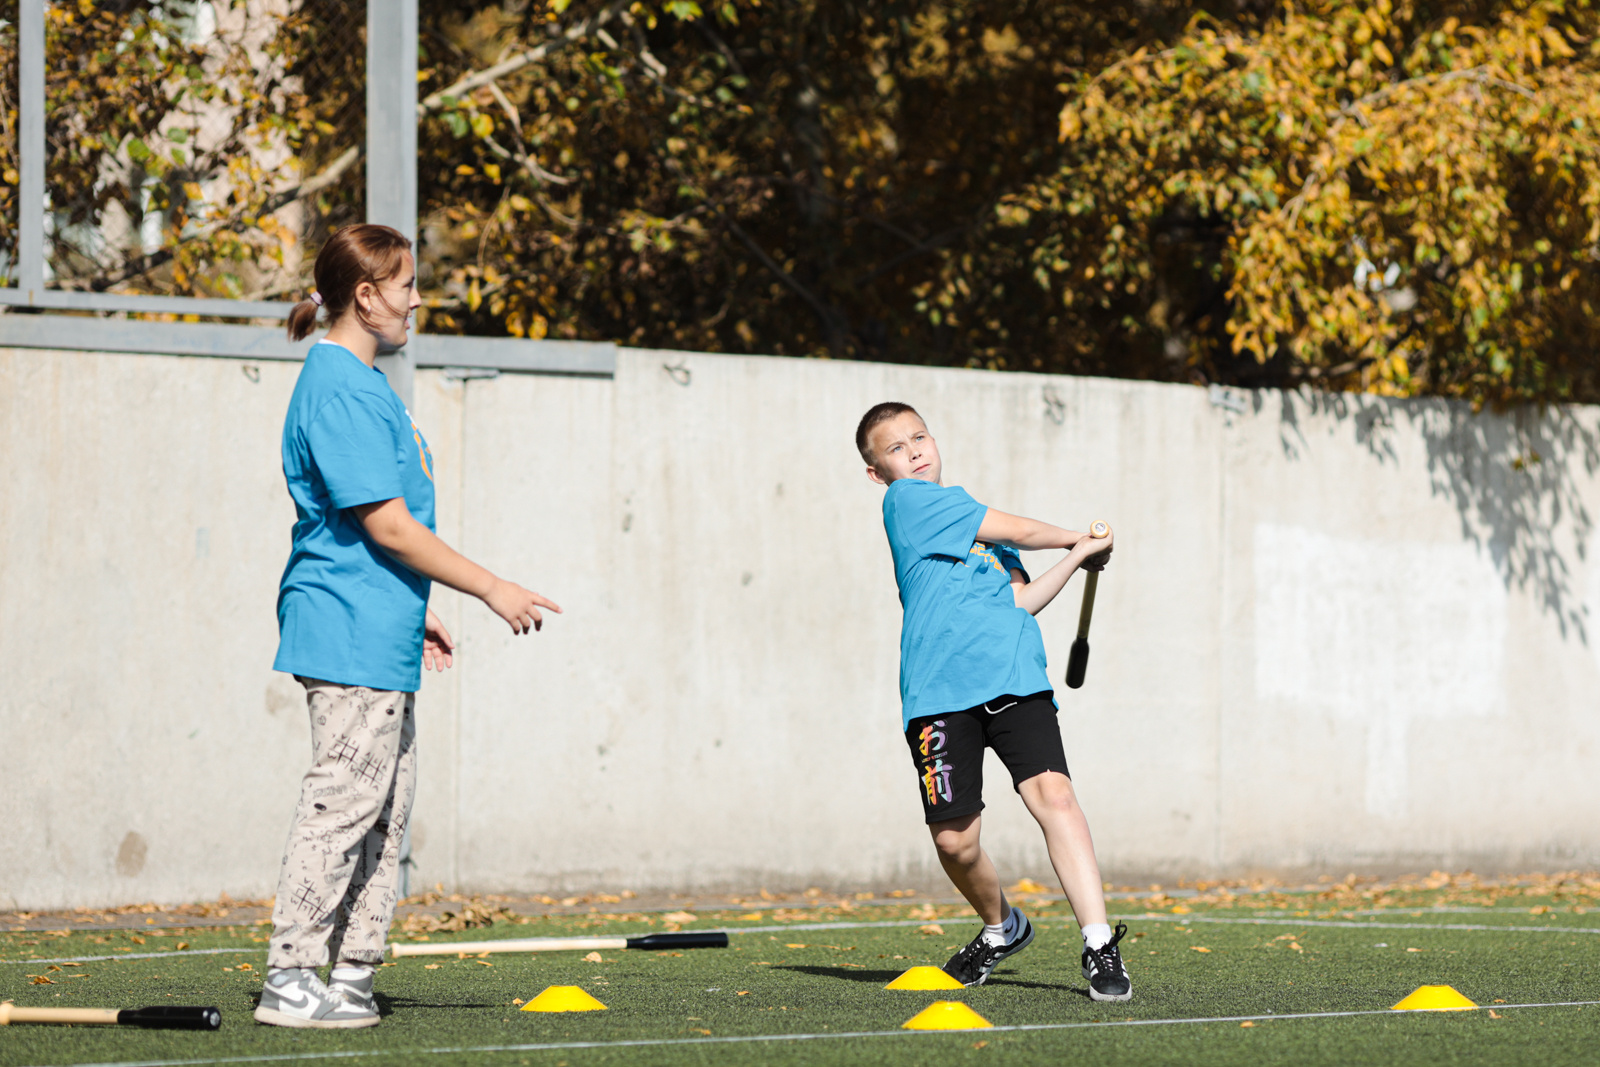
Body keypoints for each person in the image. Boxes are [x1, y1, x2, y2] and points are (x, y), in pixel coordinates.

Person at [256, 224, 560, 1029]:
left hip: (379, 628)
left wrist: (415, 609)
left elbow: (369, 531)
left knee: (385, 808)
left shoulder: (365, 382)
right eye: (406, 285)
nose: (418, 299)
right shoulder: (339, 387)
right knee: (342, 802)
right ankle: (291, 975)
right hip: (345, 629)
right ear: (366, 296)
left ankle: (352, 971)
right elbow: (386, 524)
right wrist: (491, 587)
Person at [857, 401, 1132, 1001]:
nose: (914, 451)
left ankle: (1098, 943)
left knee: (1055, 796)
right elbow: (1023, 532)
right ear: (878, 473)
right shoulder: (909, 502)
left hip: (1012, 678)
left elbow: (1019, 602)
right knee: (954, 841)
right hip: (938, 690)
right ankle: (1001, 926)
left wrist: (1078, 557)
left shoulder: (978, 530)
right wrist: (1076, 536)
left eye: (920, 437)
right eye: (896, 448)